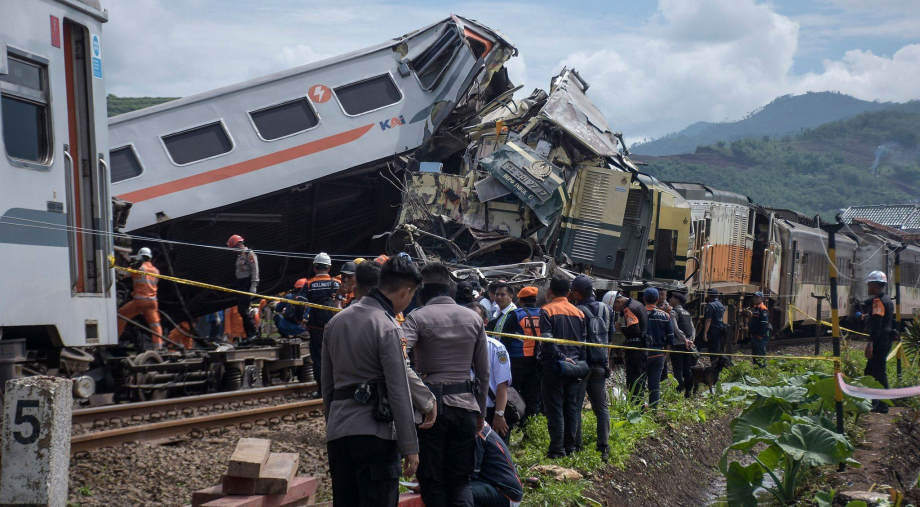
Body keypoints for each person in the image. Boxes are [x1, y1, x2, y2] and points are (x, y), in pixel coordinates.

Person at [322, 256, 430, 507]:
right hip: (375, 437)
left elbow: (327, 386)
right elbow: (398, 390)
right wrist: (409, 446)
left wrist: (334, 426)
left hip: (339, 435)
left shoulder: (334, 323)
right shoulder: (388, 326)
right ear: (406, 291)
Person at [403, 262, 490, 507]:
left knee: (433, 482)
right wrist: (481, 413)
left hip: (431, 411)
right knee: (460, 480)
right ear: (449, 289)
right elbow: (484, 373)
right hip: (466, 409)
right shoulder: (473, 318)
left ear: (422, 291)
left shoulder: (416, 318)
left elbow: (396, 355)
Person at [538, 275, 587, 458]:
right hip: (575, 368)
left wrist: (562, 358)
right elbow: (583, 342)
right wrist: (579, 362)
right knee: (571, 409)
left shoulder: (546, 310)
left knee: (555, 409)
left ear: (549, 291)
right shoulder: (578, 312)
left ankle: (557, 450)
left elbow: (548, 341)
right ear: (568, 292)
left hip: (554, 366)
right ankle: (570, 447)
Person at [570, 275, 612, 461]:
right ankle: (603, 447)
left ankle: (577, 446)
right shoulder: (606, 309)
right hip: (601, 364)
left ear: (577, 293)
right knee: (601, 408)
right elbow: (609, 339)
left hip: (582, 365)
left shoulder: (576, 310)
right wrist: (606, 362)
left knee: (576, 407)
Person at [502, 287, 542, 422]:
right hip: (537, 362)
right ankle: (530, 429)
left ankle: (510, 425)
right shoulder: (543, 314)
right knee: (533, 397)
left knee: (512, 395)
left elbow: (505, 340)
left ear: (520, 300)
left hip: (517, 361)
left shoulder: (516, 315)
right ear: (535, 300)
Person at [303, 252, 341, 393]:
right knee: (337, 356)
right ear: (329, 268)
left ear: (314, 267)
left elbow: (300, 303)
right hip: (335, 325)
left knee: (319, 358)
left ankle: (322, 389)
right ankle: (339, 387)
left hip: (316, 327)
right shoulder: (337, 283)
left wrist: (300, 319)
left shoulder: (309, 284)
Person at [117, 247, 164, 347]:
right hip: (152, 302)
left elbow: (123, 274)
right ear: (150, 258)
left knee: (121, 315)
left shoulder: (139, 268)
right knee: (155, 324)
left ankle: (114, 339)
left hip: (140, 301)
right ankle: (159, 347)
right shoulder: (156, 271)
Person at [471, 422, 524, 507]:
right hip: (493, 485)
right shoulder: (480, 427)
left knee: (459, 492)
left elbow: (473, 474)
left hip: (506, 493)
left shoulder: (478, 432)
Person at [864, 270, 895, 414]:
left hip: (880, 342)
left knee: (879, 373)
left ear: (875, 285)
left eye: (869, 284)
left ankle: (882, 405)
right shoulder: (887, 300)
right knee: (869, 372)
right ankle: (874, 401)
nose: (868, 287)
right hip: (886, 340)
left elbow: (877, 325)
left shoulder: (878, 302)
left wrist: (870, 343)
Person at [612, 293, 648, 401]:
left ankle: (635, 407)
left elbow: (634, 330)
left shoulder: (629, 309)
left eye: (615, 307)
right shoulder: (637, 304)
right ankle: (640, 405)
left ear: (618, 302)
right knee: (640, 379)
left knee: (633, 380)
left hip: (634, 350)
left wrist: (620, 328)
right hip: (642, 347)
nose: (617, 311)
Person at [643, 288, 674, 408]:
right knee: (654, 384)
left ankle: (638, 409)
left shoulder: (639, 313)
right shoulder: (665, 316)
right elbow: (670, 337)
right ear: (657, 300)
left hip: (643, 353)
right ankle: (654, 409)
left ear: (644, 298)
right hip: (659, 354)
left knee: (639, 383)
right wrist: (665, 354)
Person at [228, 235, 260, 341]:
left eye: (233, 248)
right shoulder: (240, 256)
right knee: (242, 310)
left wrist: (254, 286)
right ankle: (248, 335)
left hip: (247, 284)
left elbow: (255, 269)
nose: (233, 251)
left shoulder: (249, 254)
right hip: (241, 284)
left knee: (242, 309)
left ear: (238, 245)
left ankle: (254, 331)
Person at [484, 333, 512, 443]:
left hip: (491, 410)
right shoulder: (455, 345)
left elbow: (502, 384)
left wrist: (499, 415)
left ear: (485, 322)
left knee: (496, 454)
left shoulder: (495, 347)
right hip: (466, 410)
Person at [667, 291, 696, 397]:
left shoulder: (673, 313)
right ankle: (688, 390)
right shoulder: (687, 313)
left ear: (677, 301)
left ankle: (679, 389)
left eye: (672, 298)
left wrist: (684, 339)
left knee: (677, 368)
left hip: (678, 344)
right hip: (688, 345)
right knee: (687, 368)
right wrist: (690, 340)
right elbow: (693, 329)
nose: (670, 300)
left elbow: (675, 329)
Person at [702, 288, 726, 362]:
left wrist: (705, 333)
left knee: (698, 344)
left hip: (711, 329)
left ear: (709, 295)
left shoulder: (711, 306)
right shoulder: (721, 305)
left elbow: (708, 319)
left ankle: (691, 363)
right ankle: (715, 366)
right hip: (719, 329)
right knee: (715, 348)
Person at [748, 291, 770, 367]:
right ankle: (756, 371)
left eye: (757, 297)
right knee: (755, 355)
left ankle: (762, 372)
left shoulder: (763, 309)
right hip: (755, 335)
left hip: (760, 337)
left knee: (760, 355)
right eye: (754, 297)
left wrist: (760, 335)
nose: (755, 299)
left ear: (762, 299)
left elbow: (764, 324)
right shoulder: (755, 308)